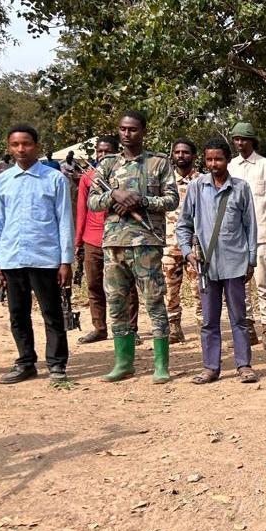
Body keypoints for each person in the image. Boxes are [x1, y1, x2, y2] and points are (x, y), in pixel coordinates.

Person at [88, 110, 179, 384]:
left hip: (146, 243)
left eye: (133, 129)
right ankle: (123, 363)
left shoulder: (158, 163)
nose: (127, 134)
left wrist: (141, 200)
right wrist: (114, 196)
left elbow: (172, 199)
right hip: (114, 244)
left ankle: (161, 365)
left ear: (143, 131)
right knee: (116, 303)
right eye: (123, 129)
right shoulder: (107, 164)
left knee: (154, 301)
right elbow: (93, 202)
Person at [0, 126, 73, 383]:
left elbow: (64, 221)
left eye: (26, 144)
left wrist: (65, 261)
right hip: (12, 257)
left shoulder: (54, 179)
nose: (21, 149)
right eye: (15, 145)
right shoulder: (3, 181)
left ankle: (57, 364)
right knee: (17, 314)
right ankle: (26, 362)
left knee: (51, 313)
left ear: (37, 146)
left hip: (45, 257)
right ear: (9, 147)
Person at [176, 138, 259, 384]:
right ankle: (211, 367)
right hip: (206, 266)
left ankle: (244, 365)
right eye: (209, 159)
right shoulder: (196, 187)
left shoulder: (241, 188)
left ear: (227, 160)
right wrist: (187, 251)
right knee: (209, 320)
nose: (214, 164)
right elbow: (183, 224)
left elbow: (250, 226)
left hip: (235, 262)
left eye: (218, 159)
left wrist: (251, 259)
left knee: (239, 318)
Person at [74, 136, 140, 344]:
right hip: (92, 238)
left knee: (126, 285)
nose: (102, 155)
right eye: (99, 151)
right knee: (94, 284)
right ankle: (99, 328)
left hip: (119, 237)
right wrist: (78, 241)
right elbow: (82, 210)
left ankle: (131, 328)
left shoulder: (125, 174)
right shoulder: (88, 177)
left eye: (107, 151)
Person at [228, 121, 266, 349]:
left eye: (244, 139)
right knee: (240, 285)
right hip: (236, 235)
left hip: (262, 234)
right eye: (236, 139)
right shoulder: (230, 166)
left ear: (252, 141)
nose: (240, 143)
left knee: (262, 283)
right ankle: (247, 328)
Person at [163, 138, 201, 343]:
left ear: (194, 156)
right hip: (170, 246)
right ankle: (174, 328)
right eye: (177, 152)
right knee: (170, 291)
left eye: (185, 152)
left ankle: (204, 328)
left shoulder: (203, 181)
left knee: (200, 290)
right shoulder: (165, 182)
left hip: (196, 246)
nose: (181, 155)